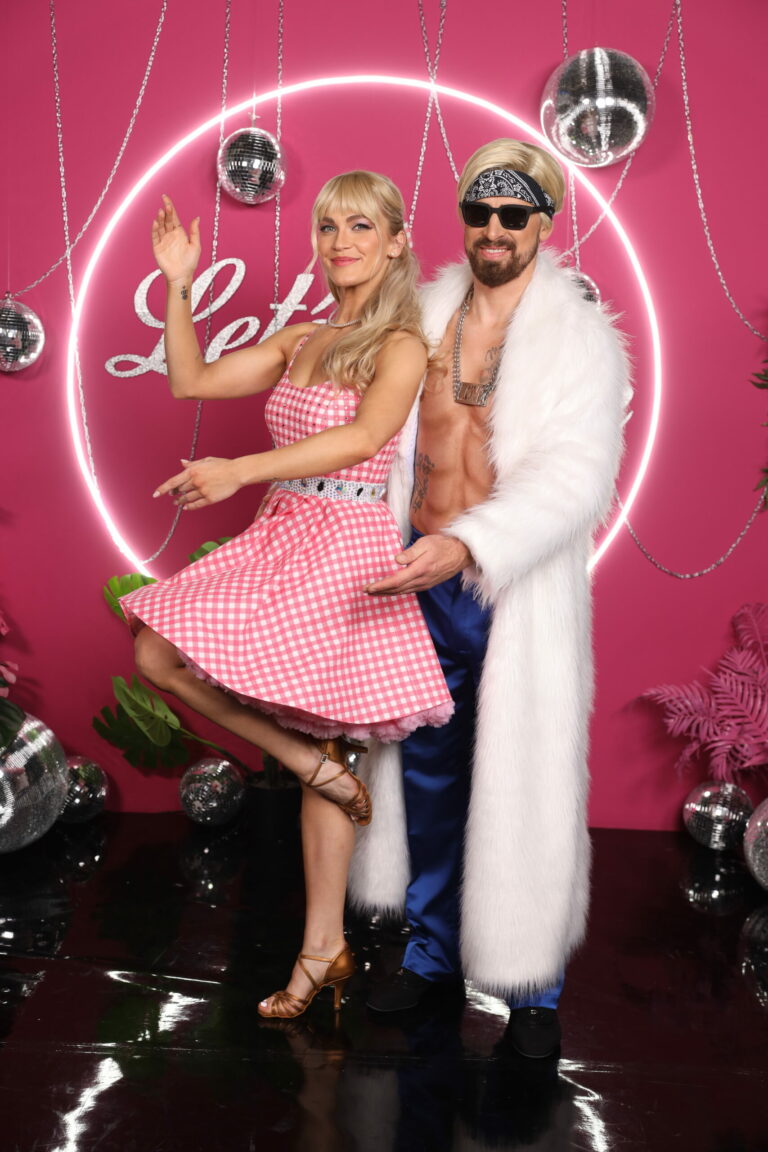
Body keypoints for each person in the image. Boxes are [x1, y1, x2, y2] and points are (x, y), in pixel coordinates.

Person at [120, 172, 453, 1019]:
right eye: (329, 226)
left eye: (362, 226)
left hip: (342, 542)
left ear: (396, 242)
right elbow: (190, 381)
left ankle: (321, 949)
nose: (342, 241)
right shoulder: (304, 336)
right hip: (283, 530)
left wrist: (240, 470)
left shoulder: (402, 344)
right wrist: (179, 283)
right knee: (157, 650)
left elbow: (365, 436)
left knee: (324, 736)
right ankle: (310, 768)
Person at [349, 140, 631, 1058]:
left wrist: (470, 542)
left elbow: (577, 475)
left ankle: (531, 986)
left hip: (509, 591)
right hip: (415, 584)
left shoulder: (578, 337)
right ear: (464, 219)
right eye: (480, 212)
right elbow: (369, 436)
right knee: (426, 779)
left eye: (514, 214)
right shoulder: (420, 316)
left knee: (524, 783)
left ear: (543, 223)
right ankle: (431, 955)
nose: (495, 229)